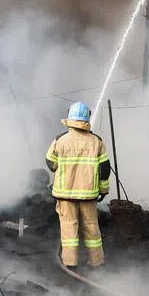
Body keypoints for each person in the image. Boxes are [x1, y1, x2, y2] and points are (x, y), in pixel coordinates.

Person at [45, 102, 111, 268]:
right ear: (87, 118)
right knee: (91, 227)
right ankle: (96, 261)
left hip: (65, 195)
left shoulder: (60, 140)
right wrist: (103, 190)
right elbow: (105, 169)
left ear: (70, 117)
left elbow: (50, 162)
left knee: (69, 228)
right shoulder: (96, 141)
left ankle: (70, 262)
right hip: (88, 195)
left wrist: (59, 167)